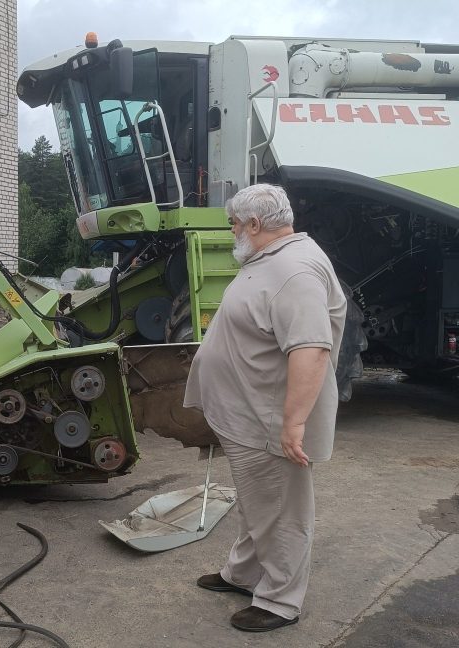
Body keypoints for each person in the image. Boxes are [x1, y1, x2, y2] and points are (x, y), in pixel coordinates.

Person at [183, 183, 346, 632]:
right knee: (258, 503)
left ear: (255, 224)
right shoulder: (269, 260)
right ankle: (245, 574)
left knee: (282, 510)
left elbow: (311, 349)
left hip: (270, 420)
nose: (232, 230)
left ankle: (279, 600)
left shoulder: (295, 270)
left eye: (234, 223)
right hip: (247, 415)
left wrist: (293, 424)